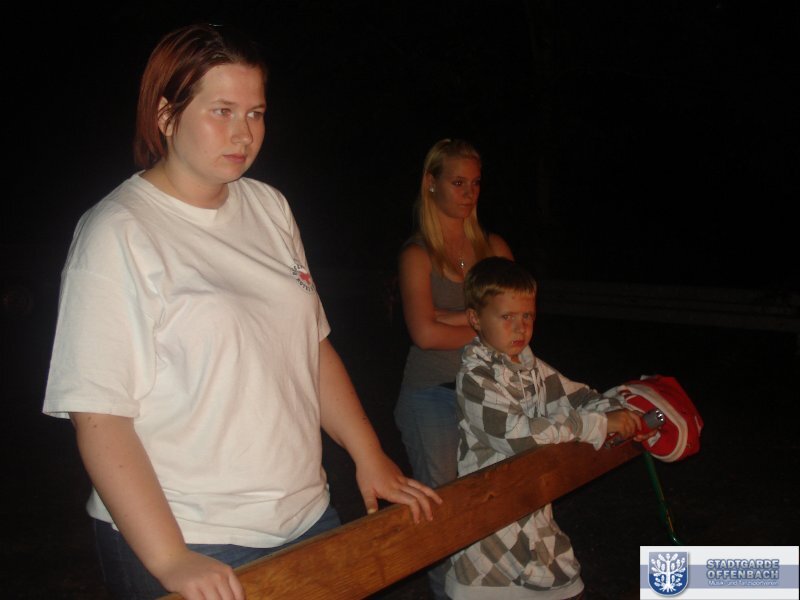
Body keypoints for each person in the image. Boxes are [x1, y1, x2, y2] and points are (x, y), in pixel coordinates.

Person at [42, 23, 441, 600]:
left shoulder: (270, 207)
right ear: (166, 114)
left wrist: (368, 453)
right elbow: (99, 417)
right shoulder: (118, 232)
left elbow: (310, 347)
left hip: (305, 515)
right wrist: (171, 558)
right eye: (222, 111)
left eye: (255, 113)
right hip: (190, 533)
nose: (244, 133)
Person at [446, 257, 652, 600]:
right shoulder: (475, 377)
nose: (520, 328)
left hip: (532, 513)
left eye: (527, 316)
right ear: (475, 319)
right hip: (490, 529)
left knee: (567, 584)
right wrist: (595, 425)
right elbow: (519, 436)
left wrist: (624, 413)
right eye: (507, 317)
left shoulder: (531, 367)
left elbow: (580, 397)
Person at [393, 138, 513, 598]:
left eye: (475, 183)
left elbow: (517, 323)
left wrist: (451, 318)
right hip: (433, 394)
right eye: (458, 183)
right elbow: (424, 335)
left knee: (493, 503)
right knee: (443, 511)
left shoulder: (494, 247)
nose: (468, 193)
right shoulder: (418, 254)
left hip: (492, 391)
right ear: (431, 183)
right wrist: (484, 321)